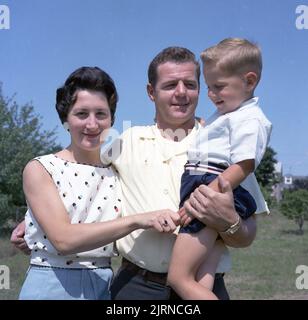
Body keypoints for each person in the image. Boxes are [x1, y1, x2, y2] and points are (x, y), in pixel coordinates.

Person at [12, 47, 258, 300]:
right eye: (171, 85)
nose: (181, 93)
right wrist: (37, 218)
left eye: (190, 84)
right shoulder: (125, 142)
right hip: (135, 287)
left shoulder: (224, 146)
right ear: (151, 92)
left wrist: (229, 222)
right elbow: (81, 171)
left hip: (203, 285)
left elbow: (248, 234)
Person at [17, 66, 180, 300]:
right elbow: (63, 240)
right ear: (66, 118)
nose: (92, 124)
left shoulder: (116, 169)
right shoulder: (41, 168)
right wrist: (138, 220)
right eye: (82, 114)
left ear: (112, 118)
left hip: (105, 283)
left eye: (101, 114)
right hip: (51, 282)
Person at [167, 38, 272, 299]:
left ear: (249, 81)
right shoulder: (230, 114)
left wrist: (204, 197)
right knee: (203, 278)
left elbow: (244, 164)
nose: (212, 95)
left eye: (219, 87)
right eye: (209, 87)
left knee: (178, 278)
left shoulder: (251, 119)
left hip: (213, 184)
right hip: (210, 182)